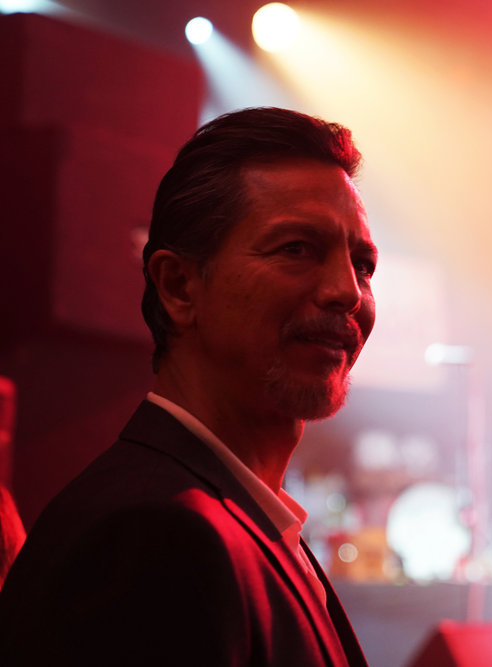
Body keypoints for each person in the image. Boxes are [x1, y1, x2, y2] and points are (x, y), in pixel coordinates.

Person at [0, 107, 377, 666]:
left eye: (363, 264)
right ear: (178, 286)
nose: (347, 291)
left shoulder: (233, 519)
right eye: (297, 248)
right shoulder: (155, 538)